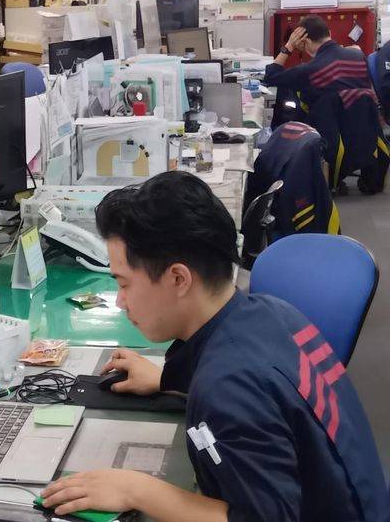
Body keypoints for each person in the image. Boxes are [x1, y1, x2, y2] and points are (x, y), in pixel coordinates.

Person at [41, 171, 389, 522]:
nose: (120, 301)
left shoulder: (228, 387)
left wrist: (137, 490)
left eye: (124, 283)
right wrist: (165, 379)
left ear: (178, 278)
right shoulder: (269, 311)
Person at [264, 14, 373, 113]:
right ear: (329, 33)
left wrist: (289, 46)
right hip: (366, 125)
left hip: (327, 127)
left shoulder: (311, 70)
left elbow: (271, 77)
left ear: (306, 41)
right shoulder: (358, 56)